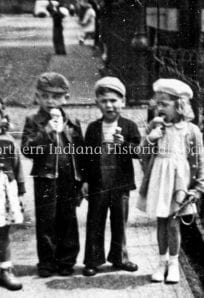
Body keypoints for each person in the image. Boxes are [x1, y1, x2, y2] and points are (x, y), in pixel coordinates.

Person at [137, 78, 204, 283]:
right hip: (159, 178)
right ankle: (161, 262)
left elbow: (199, 160)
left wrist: (199, 188)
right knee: (161, 221)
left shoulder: (191, 131)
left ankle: (173, 263)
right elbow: (142, 153)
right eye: (158, 104)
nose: (160, 108)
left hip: (180, 183)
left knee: (174, 224)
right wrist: (151, 138)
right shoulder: (156, 126)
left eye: (164, 104)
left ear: (180, 105)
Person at [21, 72, 84, 278]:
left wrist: (82, 179)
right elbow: (28, 150)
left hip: (69, 177)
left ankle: (67, 261)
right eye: (45, 96)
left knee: (68, 218)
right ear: (37, 97)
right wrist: (46, 131)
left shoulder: (72, 121)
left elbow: (81, 152)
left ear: (66, 98)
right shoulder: (34, 121)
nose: (50, 101)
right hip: (46, 178)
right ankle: (47, 262)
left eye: (56, 96)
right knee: (46, 220)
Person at [81, 76, 141, 276]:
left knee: (119, 222)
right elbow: (86, 157)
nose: (109, 105)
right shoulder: (93, 128)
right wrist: (85, 181)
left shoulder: (129, 126)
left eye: (114, 101)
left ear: (122, 102)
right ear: (97, 102)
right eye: (104, 101)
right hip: (99, 183)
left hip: (120, 184)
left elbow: (137, 152)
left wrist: (123, 144)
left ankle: (120, 257)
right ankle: (93, 260)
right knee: (95, 221)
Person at [0, 103, 25, 291]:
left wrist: (20, 192)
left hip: (4, 190)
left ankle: (4, 270)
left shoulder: (7, 142)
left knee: (3, 232)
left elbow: (17, 168)